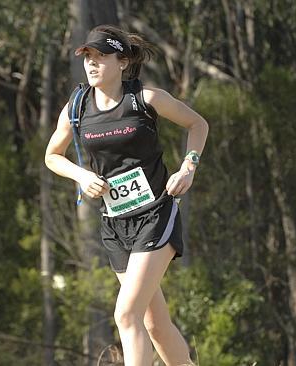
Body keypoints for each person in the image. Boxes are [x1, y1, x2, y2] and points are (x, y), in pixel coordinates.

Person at [45, 24, 208, 366]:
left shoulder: (146, 100)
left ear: (122, 62)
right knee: (154, 323)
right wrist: (81, 175)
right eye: (88, 56)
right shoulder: (76, 109)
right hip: (115, 224)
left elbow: (198, 124)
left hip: (155, 214)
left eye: (101, 57)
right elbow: (52, 156)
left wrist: (188, 167)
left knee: (125, 315)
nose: (92, 64)